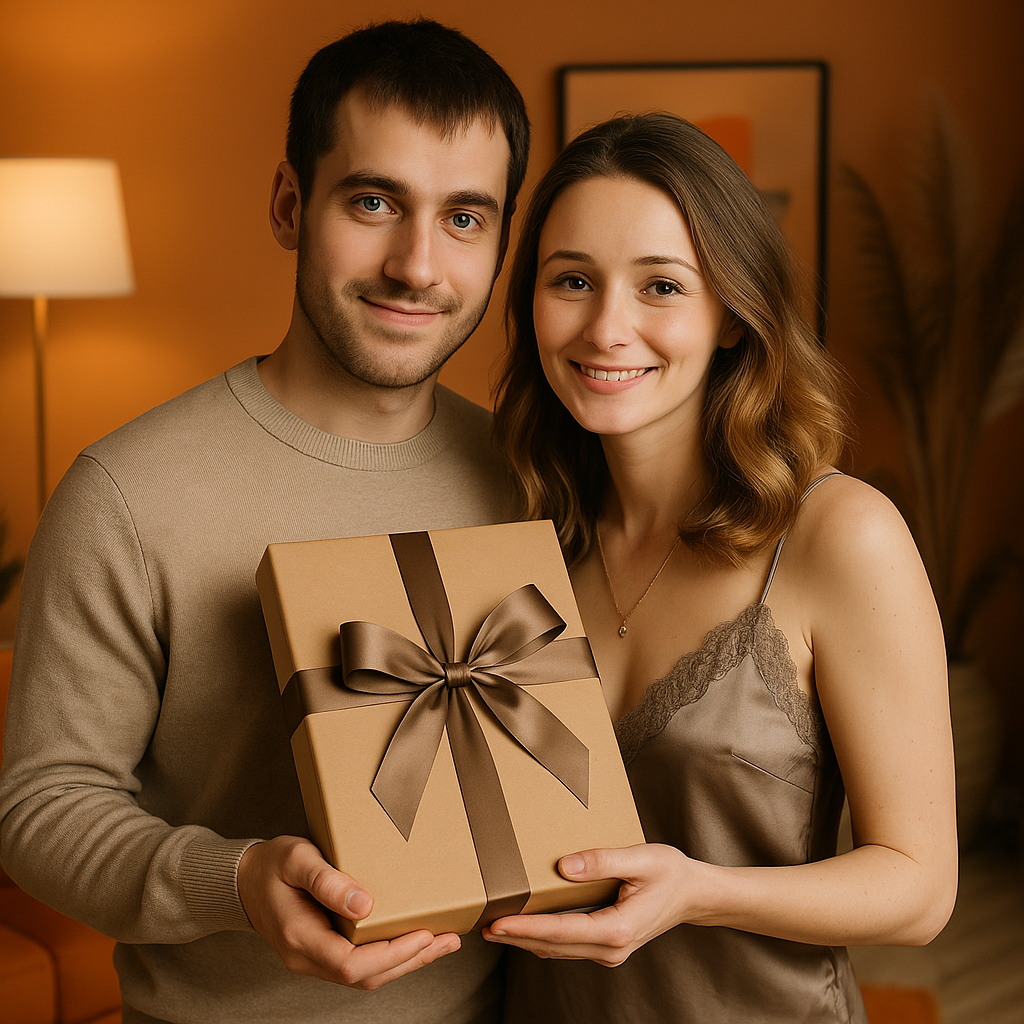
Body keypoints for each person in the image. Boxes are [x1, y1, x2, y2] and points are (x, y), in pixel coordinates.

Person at [0, 18, 529, 1024]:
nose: (417, 265)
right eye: (373, 202)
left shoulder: (530, 475)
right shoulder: (127, 492)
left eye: (465, 217)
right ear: (290, 205)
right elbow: (41, 810)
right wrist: (234, 880)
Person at [485, 112, 957, 1022]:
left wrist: (700, 891)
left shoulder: (840, 535)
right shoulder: (522, 528)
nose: (606, 328)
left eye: (661, 285)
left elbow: (921, 889)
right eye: (571, 280)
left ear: (734, 317)